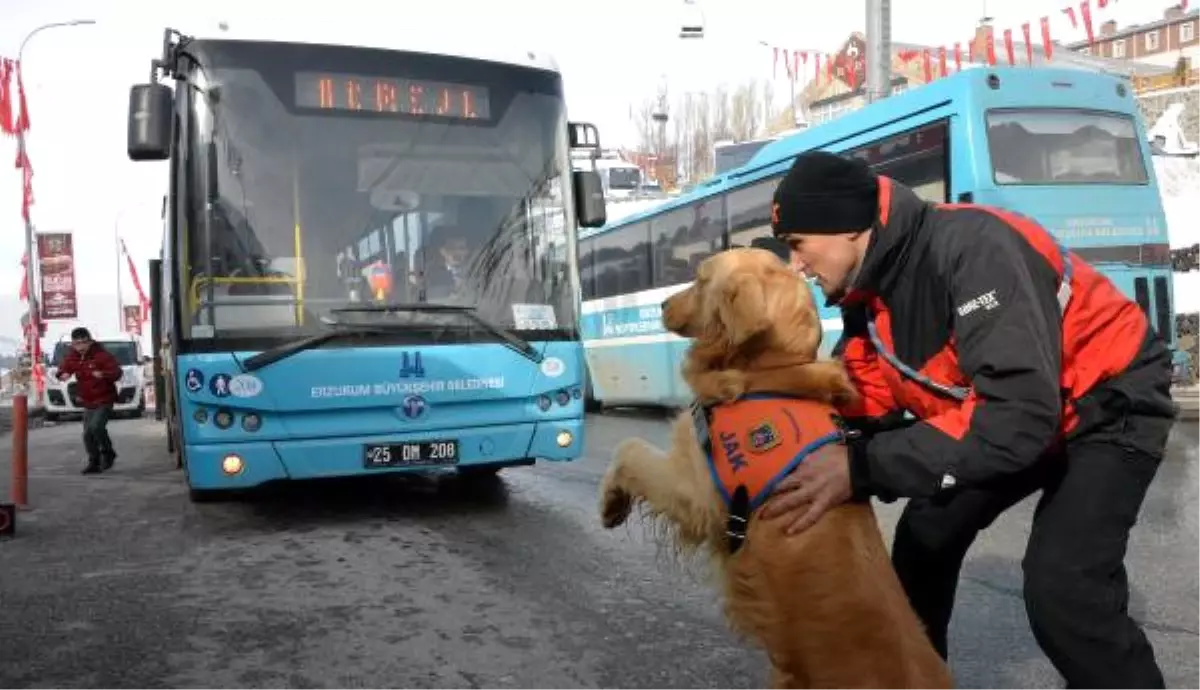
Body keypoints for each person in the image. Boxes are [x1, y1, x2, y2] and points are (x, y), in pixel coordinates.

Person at [758, 151, 1176, 690]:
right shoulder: (868, 291)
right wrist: (781, 429)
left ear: (846, 227)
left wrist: (860, 469)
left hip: (1107, 402)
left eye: (796, 244)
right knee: (925, 537)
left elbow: (1015, 421)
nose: (796, 266)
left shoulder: (974, 249)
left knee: (1065, 587)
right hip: (1015, 415)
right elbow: (867, 393)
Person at [55, 327, 123, 474]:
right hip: (88, 400)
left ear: (90, 341)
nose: (80, 347)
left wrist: (103, 374)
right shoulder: (72, 356)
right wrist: (62, 374)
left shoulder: (101, 355)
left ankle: (107, 453)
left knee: (96, 427)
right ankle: (94, 462)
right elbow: (63, 369)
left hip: (104, 398)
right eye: (76, 344)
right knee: (87, 434)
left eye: (83, 343)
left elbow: (117, 373)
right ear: (72, 344)